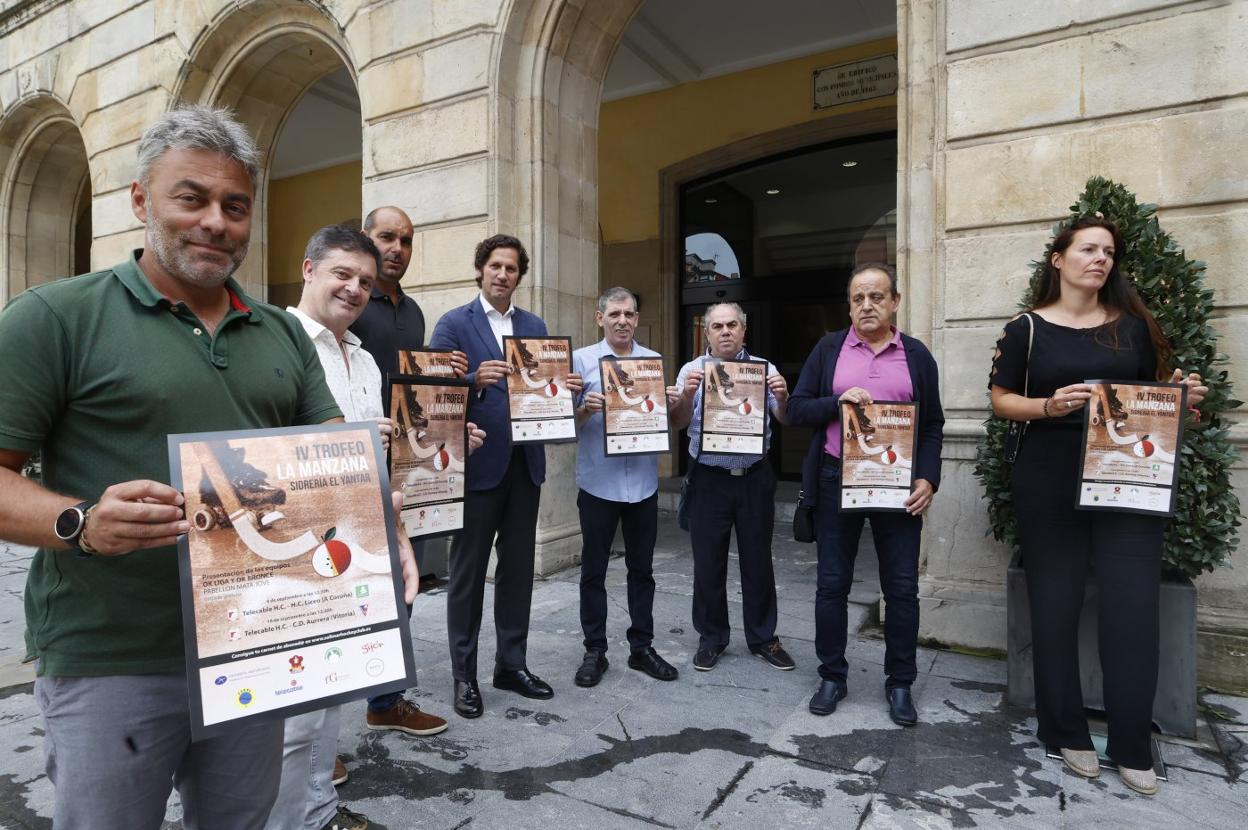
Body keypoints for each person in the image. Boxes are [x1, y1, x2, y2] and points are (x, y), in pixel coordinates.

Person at [0, 106, 410, 829]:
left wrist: (383, 521)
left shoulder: (282, 332)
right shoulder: (53, 318)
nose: (215, 222)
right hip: (113, 653)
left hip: (255, 644)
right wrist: (83, 521)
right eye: (190, 198)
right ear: (139, 201)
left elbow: (329, 459)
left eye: (235, 206)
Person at [989, 216, 1207, 796]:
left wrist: (1182, 400)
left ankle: (1133, 741)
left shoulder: (1133, 330)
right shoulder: (1025, 329)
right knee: (1054, 604)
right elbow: (1001, 400)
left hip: (1128, 481)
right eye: (1088, 249)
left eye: (1108, 252)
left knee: (1133, 608)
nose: (1100, 259)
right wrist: (1049, 406)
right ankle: (1065, 732)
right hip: (1048, 478)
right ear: (1057, 259)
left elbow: (1155, 400)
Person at [428, 234, 583, 717]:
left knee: (517, 572)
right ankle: (464, 674)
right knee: (468, 574)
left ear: (520, 276)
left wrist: (569, 393)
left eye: (511, 268)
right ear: (480, 270)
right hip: (476, 467)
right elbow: (431, 396)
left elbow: (544, 390)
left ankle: (510, 665)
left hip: (525, 466)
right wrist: (471, 382)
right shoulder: (454, 324)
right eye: (494, 266)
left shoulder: (534, 326)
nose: (502, 275)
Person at [786, 263, 945, 727]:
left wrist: (928, 478)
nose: (867, 305)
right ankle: (832, 676)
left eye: (876, 296)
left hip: (899, 484)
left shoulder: (915, 355)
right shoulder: (829, 349)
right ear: (849, 306)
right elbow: (797, 409)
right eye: (858, 298)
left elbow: (932, 424)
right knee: (832, 585)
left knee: (901, 589)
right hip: (838, 478)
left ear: (895, 301)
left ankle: (900, 684)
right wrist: (837, 403)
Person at [351, 205, 463, 744]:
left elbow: (414, 394)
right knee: (341, 585)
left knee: (402, 581)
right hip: (349, 465)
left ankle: (384, 701)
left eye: (406, 240)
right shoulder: (350, 300)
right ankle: (319, 735)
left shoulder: (414, 311)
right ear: (365, 238)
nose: (397, 248)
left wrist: (449, 427)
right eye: (387, 237)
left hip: (404, 467)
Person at [667, 302, 793, 673]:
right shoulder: (691, 370)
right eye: (717, 326)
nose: (725, 331)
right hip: (708, 479)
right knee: (708, 563)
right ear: (706, 332)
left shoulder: (763, 369)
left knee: (758, 561)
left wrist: (784, 397)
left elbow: (783, 417)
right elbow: (676, 423)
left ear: (743, 330)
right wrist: (687, 396)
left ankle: (763, 638)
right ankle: (711, 638)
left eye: (732, 325)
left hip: (754, 477)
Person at [570, 287, 679, 687]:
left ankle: (642, 647)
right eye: (614, 314)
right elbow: (566, 425)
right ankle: (595, 650)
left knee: (642, 570)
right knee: (594, 571)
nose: (622, 321)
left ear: (636, 318)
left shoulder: (653, 363)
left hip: (644, 486)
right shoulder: (581, 361)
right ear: (600, 318)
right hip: (599, 483)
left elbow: (663, 421)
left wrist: (669, 403)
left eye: (629, 314)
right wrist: (583, 408)